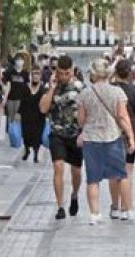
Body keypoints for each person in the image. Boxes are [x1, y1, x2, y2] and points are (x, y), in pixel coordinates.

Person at [76, 59, 135, 225]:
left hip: (91, 139)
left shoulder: (85, 94)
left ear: (93, 74)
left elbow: (80, 120)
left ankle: (94, 214)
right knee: (121, 175)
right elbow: (123, 117)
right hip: (113, 137)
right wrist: (131, 136)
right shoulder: (117, 92)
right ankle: (127, 210)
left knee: (93, 179)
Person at [40, 54, 84, 220]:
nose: (63, 77)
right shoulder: (51, 86)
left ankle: (74, 195)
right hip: (57, 133)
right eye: (60, 73)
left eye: (66, 73)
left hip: (75, 135)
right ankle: (60, 206)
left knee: (76, 171)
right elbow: (43, 109)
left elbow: (87, 110)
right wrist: (51, 88)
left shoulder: (80, 87)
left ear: (71, 71)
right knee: (58, 166)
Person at [109, 59, 135, 221]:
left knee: (113, 172)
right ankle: (127, 208)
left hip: (112, 133)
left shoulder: (110, 91)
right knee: (127, 171)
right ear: (130, 73)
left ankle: (115, 206)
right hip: (132, 131)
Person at [19, 69, 46, 163]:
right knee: (26, 134)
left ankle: (35, 154)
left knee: (37, 135)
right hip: (26, 115)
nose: (35, 77)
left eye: (37, 76)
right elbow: (21, 101)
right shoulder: (25, 87)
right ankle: (27, 151)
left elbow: (45, 102)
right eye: (34, 76)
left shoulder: (43, 89)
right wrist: (18, 114)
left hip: (38, 117)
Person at [2, 53, 29, 129]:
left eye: (21, 60)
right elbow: (8, 86)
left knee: (18, 118)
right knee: (10, 118)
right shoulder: (10, 72)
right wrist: (5, 99)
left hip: (21, 99)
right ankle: (11, 132)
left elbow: (27, 87)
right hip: (11, 99)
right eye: (18, 60)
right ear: (15, 61)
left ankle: (17, 134)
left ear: (23, 61)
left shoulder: (25, 73)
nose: (19, 62)